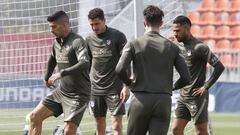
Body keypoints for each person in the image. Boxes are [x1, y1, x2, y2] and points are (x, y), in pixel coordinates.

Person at [115, 5, 191, 135]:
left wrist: (129, 83)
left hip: (141, 99)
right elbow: (186, 77)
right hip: (163, 101)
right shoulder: (172, 47)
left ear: (144, 23)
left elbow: (119, 69)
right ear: (161, 23)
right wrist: (172, 87)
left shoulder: (134, 43)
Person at [27, 11, 91, 135]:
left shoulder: (77, 41)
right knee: (34, 117)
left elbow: (85, 63)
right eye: (50, 26)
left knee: (68, 131)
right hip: (62, 92)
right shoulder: (56, 42)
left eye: (54, 26)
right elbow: (52, 59)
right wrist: (46, 77)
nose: (51, 30)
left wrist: (61, 73)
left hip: (78, 95)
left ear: (65, 25)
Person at [171, 16, 225, 135]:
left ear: (187, 28)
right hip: (183, 96)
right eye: (173, 30)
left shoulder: (199, 47)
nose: (174, 34)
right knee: (176, 129)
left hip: (197, 97)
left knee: (201, 131)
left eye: (177, 31)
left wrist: (205, 86)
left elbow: (219, 67)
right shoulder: (177, 46)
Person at [86, 8, 130, 135]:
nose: (94, 27)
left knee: (117, 126)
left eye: (97, 24)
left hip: (114, 89)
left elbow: (126, 61)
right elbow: (87, 64)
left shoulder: (118, 36)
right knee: (99, 126)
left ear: (104, 21)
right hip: (95, 89)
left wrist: (127, 86)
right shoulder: (88, 39)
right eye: (91, 25)